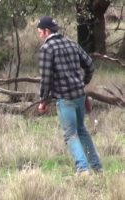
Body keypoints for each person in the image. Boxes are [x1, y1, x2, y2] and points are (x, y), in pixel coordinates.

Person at [36, 16, 102, 176]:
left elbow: (46, 79)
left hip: (65, 99)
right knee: (82, 131)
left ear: (46, 31)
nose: (39, 35)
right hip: (79, 95)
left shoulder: (47, 49)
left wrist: (43, 101)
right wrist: (82, 83)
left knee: (70, 134)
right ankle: (97, 168)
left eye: (39, 32)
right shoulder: (71, 43)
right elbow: (90, 66)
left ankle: (83, 169)